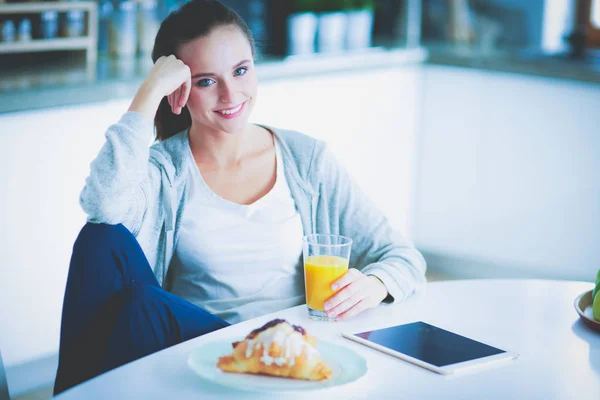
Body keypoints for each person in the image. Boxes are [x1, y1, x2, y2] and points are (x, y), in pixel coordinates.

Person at [54, 0, 426, 394]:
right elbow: (102, 206)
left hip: (281, 345)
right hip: (193, 343)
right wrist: (147, 94)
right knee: (100, 239)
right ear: (178, 90)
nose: (231, 95)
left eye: (241, 70)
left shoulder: (306, 160)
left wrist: (375, 284)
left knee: (143, 306)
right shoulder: (163, 171)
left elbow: (402, 256)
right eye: (206, 81)